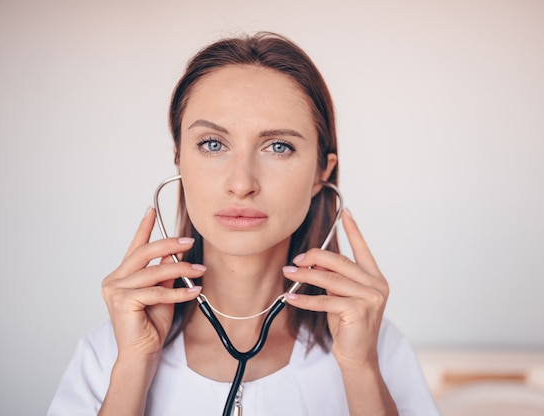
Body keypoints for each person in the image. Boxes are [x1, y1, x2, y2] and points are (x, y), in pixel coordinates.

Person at [48, 32, 439, 416]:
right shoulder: (107, 353)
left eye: (278, 147)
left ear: (322, 171)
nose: (242, 184)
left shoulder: (377, 348)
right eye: (213, 144)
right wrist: (133, 364)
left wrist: (361, 371)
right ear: (179, 158)